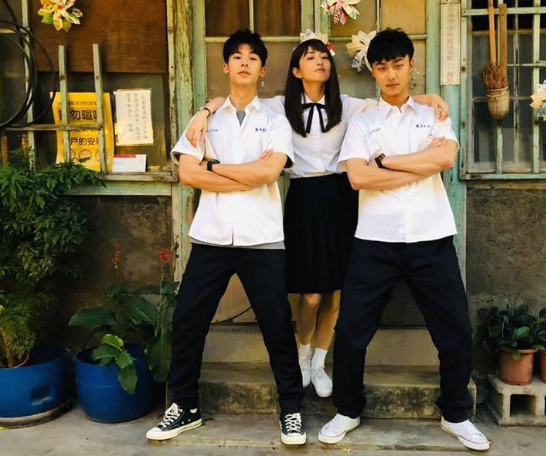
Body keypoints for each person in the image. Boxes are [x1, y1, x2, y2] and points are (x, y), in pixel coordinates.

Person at [185, 33, 449, 399]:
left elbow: (392, 99)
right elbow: (235, 97)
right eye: (310, 57)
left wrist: (429, 99)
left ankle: (320, 361)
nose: (320, 61)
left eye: (324, 57)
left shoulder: (350, 106)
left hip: (341, 197)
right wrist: (204, 111)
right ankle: (303, 352)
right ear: (296, 70)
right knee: (309, 294)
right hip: (303, 198)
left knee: (336, 289)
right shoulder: (278, 107)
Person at [316, 29, 490, 452]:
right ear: (373, 72)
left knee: (454, 329)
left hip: (431, 236)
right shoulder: (363, 121)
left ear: (411, 65)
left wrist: (386, 162)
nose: (391, 74)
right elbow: (358, 177)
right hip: (375, 240)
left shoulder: (433, 114)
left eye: (398, 65)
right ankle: (347, 410)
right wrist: (416, 167)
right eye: (382, 67)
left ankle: (455, 414)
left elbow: (445, 158)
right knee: (352, 331)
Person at [145, 29, 306, 446]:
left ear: (263, 70)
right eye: (237, 56)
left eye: (253, 57)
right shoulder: (206, 119)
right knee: (188, 320)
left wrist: (214, 168)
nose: (244, 62)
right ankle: (185, 406)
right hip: (211, 237)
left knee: (276, 326)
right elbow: (188, 173)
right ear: (226, 66)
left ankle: (291, 408)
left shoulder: (275, 121)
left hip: (262, 239)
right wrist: (240, 173)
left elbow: (268, 172)